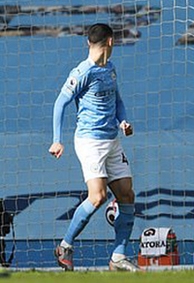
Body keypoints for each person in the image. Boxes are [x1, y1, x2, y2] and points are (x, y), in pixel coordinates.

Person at [48, 23, 139, 272]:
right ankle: (65, 246)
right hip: (90, 142)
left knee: (127, 195)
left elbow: (117, 100)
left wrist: (123, 121)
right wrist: (57, 139)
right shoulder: (82, 72)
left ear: (90, 42)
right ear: (111, 41)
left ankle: (118, 256)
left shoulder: (110, 69)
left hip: (112, 141)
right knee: (98, 197)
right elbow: (60, 103)